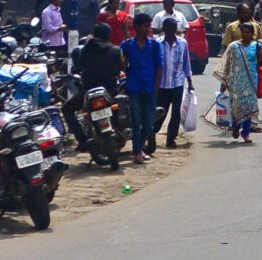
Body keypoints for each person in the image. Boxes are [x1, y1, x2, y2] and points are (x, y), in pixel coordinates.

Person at [75, 21, 124, 154]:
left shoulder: (85, 50)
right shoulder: (116, 50)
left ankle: (82, 139)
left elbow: (79, 66)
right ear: (108, 35)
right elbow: (121, 68)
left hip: (88, 91)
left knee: (66, 109)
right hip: (110, 91)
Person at [119, 12, 162, 163]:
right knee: (136, 122)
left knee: (149, 124)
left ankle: (139, 147)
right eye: (145, 26)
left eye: (149, 26)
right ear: (137, 27)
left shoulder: (154, 45)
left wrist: (156, 87)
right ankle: (137, 151)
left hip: (150, 88)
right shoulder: (127, 45)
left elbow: (159, 67)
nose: (148, 29)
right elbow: (121, 62)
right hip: (134, 88)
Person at [217, 19, 262, 145]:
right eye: (243, 32)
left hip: (251, 81)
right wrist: (223, 81)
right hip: (235, 81)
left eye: (248, 32)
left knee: (249, 108)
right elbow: (226, 64)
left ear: (252, 33)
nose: (245, 34)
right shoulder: (233, 46)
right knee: (236, 106)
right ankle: (236, 127)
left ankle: (246, 133)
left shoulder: (257, 46)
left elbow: (261, 63)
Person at [153, 16, 193, 152]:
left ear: (176, 30)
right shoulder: (157, 43)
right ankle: (151, 134)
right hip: (162, 84)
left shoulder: (183, 43)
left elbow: (186, 63)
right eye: (168, 30)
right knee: (160, 111)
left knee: (176, 113)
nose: (171, 32)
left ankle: (171, 139)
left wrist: (190, 81)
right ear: (163, 30)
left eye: (173, 29)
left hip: (177, 82)